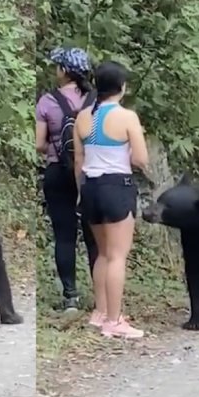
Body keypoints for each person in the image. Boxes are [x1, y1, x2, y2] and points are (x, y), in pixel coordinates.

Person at [73, 60, 149, 339]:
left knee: (103, 254)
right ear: (122, 87)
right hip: (117, 187)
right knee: (118, 256)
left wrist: (80, 191)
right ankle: (114, 321)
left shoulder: (82, 117)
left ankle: (101, 312)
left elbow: (79, 160)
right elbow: (141, 159)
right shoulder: (127, 117)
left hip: (90, 189)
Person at [35, 47, 99, 312]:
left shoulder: (47, 101)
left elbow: (39, 144)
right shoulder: (97, 100)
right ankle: (102, 298)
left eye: (57, 66)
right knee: (94, 236)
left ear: (64, 70)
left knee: (64, 236)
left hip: (57, 172)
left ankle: (70, 297)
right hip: (92, 172)